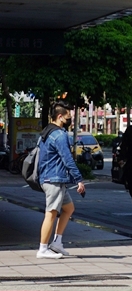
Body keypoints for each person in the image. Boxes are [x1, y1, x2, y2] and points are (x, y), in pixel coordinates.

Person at [36, 102, 86, 259]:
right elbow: (67, 159)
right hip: (54, 179)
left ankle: (57, 243)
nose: (69, 119)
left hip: (50, 177)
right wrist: (79, 179)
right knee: (51, 213)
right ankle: (43, 249)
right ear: (60, 116)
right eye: (68, 117)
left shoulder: (46, 132)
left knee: (69, 208)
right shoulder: (59, 135)